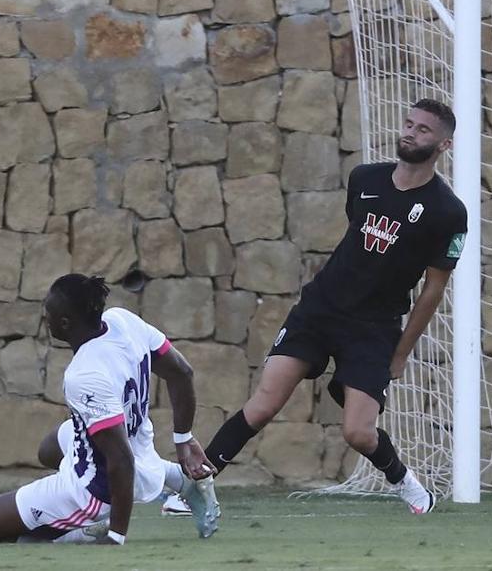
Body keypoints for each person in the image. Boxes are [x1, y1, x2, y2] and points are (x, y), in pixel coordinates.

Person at [198, 98, 467, 515]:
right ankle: (196, 486)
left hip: (374, 327)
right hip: (319, 310)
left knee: (359, 433)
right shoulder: (364, 179)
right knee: (265, 402)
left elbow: (432, 291)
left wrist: (400, 354)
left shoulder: (448, 212)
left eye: (423, 130)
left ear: (444, 145)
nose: (411, 133)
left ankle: (407, 484)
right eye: (409, 124)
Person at [0, 274, 221, 544]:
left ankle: (83, 527)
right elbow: (182, 372)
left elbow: (120, 459)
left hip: (95, 490)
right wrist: (184, 438)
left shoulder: (84, 375)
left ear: (64, 322)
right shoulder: (123, 320)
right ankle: (180, 479)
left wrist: (116, 535)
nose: (44, 318)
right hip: (137, 451)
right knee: (49, 448)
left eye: (48, 313)